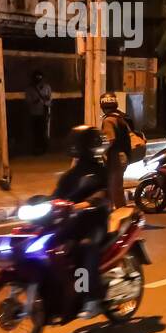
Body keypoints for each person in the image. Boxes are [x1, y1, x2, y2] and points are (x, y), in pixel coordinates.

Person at [53, 126, 113, 318]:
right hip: (74, 223)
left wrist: (87, 203)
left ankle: (91, 298)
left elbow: (103, 194)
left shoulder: (100, 171)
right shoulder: (71, 175)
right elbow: (56, 195)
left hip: (95, 223)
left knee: (85, 248)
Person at [98, 91, 131, 208]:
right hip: (123, 155)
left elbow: (109, 140)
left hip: (116, 157)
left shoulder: (108, 120)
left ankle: (121, 214)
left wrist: (100, 153)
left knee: (115, 188)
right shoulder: (120, 116)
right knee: (116, 187)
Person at [25, 71, 52, 154]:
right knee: (36, 131)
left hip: (44, 112)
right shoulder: (30, 89)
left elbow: (50, 99)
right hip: (34, 113)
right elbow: (28, 101)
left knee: (44, 130)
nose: (39, 80)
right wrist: (36, 101)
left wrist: (46, 101)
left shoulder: (47, 87)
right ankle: (36, 148)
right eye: (37, 78)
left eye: (40, 78)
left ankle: (43, 148)